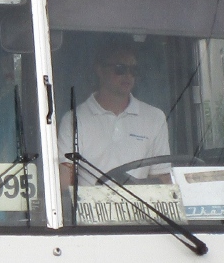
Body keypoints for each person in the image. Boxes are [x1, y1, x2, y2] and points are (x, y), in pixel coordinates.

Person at [58, 38, 169, 185]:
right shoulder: (74, 119)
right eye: (120, 69)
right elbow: (65, 180)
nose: (128, 75)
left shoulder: (155, 117)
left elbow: (163, 178)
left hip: (141, 207)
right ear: (99, 70)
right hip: (89, 207)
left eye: (133, 70)